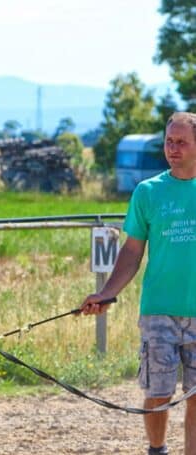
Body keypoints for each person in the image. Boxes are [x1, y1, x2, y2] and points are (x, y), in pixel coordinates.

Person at [81, 112, 196, 455]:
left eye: (181, 142)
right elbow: (132, 251)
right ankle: (157, 449)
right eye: (168, 142)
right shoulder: (148, 192)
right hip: (159, 311)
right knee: (158, 392)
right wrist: (106, 293)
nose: (172, 149)